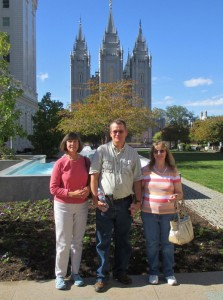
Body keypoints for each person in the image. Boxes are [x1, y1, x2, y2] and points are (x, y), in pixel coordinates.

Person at [89, 119, 142, 293]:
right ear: (110, 133)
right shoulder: (101, 151)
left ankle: (120, 272)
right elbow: (94, 177)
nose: (117, 134)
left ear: (126, 132)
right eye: (114, 131)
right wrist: (96, 200)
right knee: (103, 241)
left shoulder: (133, 154)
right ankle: (102, 277)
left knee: (123, 241)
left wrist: (138, 201)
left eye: (120, 131)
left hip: (125, 203)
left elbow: (137, 180)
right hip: (106, 204)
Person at [50, 132, 91, 290]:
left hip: (81, 206)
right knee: (63, 242)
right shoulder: (60, 163)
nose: (72, 144)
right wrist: (70, 193)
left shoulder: (85, 161)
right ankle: (60, 275)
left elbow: (91, 181)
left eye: (74, 141)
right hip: (63, 206)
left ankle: (75, 273)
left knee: (77, 242)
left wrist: (88, 189)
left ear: (78, 143)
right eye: (69, 142)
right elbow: (53, 188)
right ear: (65, 144)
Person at [141, 141, 183, 286]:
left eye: (162, 151)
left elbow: (180, 193)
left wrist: (176, 196)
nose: (159, 154)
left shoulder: (173, 170)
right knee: (152, 244)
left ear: (166, 153)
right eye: (156, 151)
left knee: (167, 244)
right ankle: (153, 272)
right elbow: (139, 190)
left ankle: (169, 273)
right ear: (152, 154)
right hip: (149, 213)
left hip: (168, 213)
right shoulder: (145, 170)